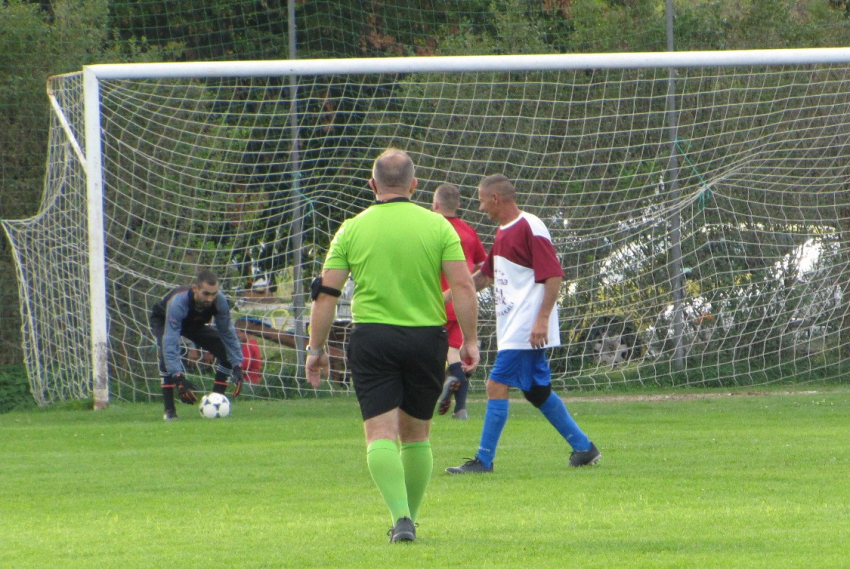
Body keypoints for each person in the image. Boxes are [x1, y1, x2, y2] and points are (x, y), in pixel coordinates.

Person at [305, 149, 480, 543]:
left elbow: (326, 294)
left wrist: (314, 349)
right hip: (427, 338)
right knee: (417, 435)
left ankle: (401, 517)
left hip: (373, 339)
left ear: (373, 185)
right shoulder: (439, 227)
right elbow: (465, 286)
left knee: (380, 434)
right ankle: (408, 520)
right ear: (415, 185)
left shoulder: (352, 228)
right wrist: (470, 341)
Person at [446, 174, 601, 474]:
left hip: (525, 327)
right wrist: (445, 297)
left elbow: (553, 274)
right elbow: (484, 277)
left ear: (495, 198)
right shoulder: (503, 232)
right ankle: (584, 448)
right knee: (536, 391)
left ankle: (484, 461)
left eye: (480, 200)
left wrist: (542, 319)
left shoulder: (530, 226)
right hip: (514, 328)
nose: (479, 207)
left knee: (495, 384)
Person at [149, 270, 245, 420]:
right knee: (165, 356)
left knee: (225, 353)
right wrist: (179, 378)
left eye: (213, 294)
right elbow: (171, 342)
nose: (210, 298)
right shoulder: (178, 302)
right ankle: (170, 412)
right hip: (164, 320)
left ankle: (216, 402)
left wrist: (237, 366)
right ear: (195, 289)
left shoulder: (219, 301)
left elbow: (228, 334)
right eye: (206, 294)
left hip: (193, 323)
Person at [431, 183, 487, 420]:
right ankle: (460, 409)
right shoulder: (469, 232)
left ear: (434, 205)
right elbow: (483, 267)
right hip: (464, 302)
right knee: (458, 351)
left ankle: (450, 379)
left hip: (435, 301)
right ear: (459, 205)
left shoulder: (431, 228)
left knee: (440, 355)